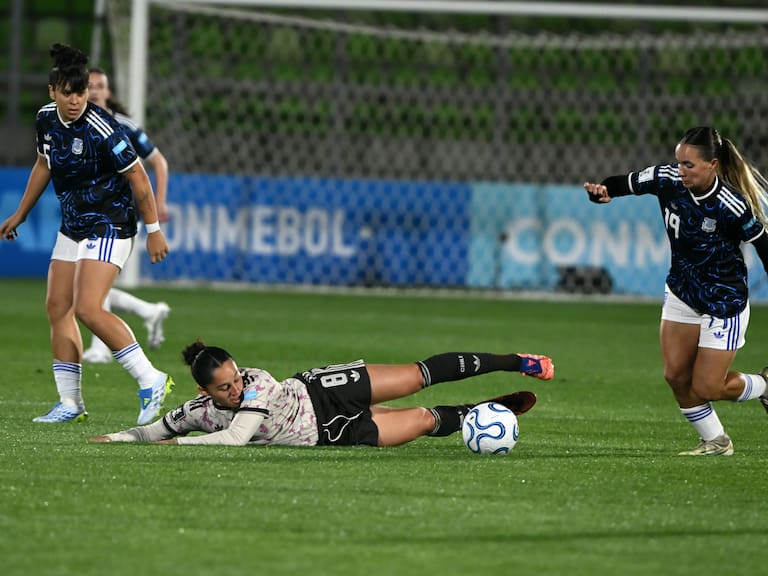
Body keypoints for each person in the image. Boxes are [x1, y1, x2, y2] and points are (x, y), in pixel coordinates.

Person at [0, 43, 174, 424]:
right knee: (57, 306)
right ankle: (70, 402)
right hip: (74, 224)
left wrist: (154, 230)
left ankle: (151, 379)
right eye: (68, 93)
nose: (76, 100)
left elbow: (138, 176)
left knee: (88, 308)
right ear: (53, 92)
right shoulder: (46, 120)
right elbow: (44, 164)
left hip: (110, 222)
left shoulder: (103, 128)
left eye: (80, 93)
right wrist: (20, 214)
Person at [584, 126, 768, 456]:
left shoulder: (732, 205)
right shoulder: (666, 178)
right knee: (676, 376)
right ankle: (716, 441)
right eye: (678, 161)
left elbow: (765, 247)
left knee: (708, 386)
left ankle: (765, 386)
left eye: (688, 165)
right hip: (682, 291)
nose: (680, 170)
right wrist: (603, 191)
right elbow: (624, 183)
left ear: (712, 164)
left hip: (723, 302)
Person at [89, 344, 555, 447]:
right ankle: (478, 413)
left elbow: (236, 438)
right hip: (331, 432)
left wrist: (176, 447)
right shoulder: (198, 412)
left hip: (323, 391)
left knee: (416, 376)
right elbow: (152, 430)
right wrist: (116, 439)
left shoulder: (258, 382)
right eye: (224, 387)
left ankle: (515, 361)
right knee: (423, 420)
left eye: (235, 378)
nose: (236, 388)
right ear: (203, 392)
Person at [81, 67, 172, 363]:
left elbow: (159, 162)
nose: (94, 91)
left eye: (100, 86)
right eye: (89, 85)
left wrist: (159, 203)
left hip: (120, 214)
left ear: (108, 92)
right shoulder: (74, 125)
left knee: (91, 284)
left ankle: (100, 348)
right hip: (90, 213)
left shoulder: (123, 126)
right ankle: (149, 311)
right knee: (87, 285)